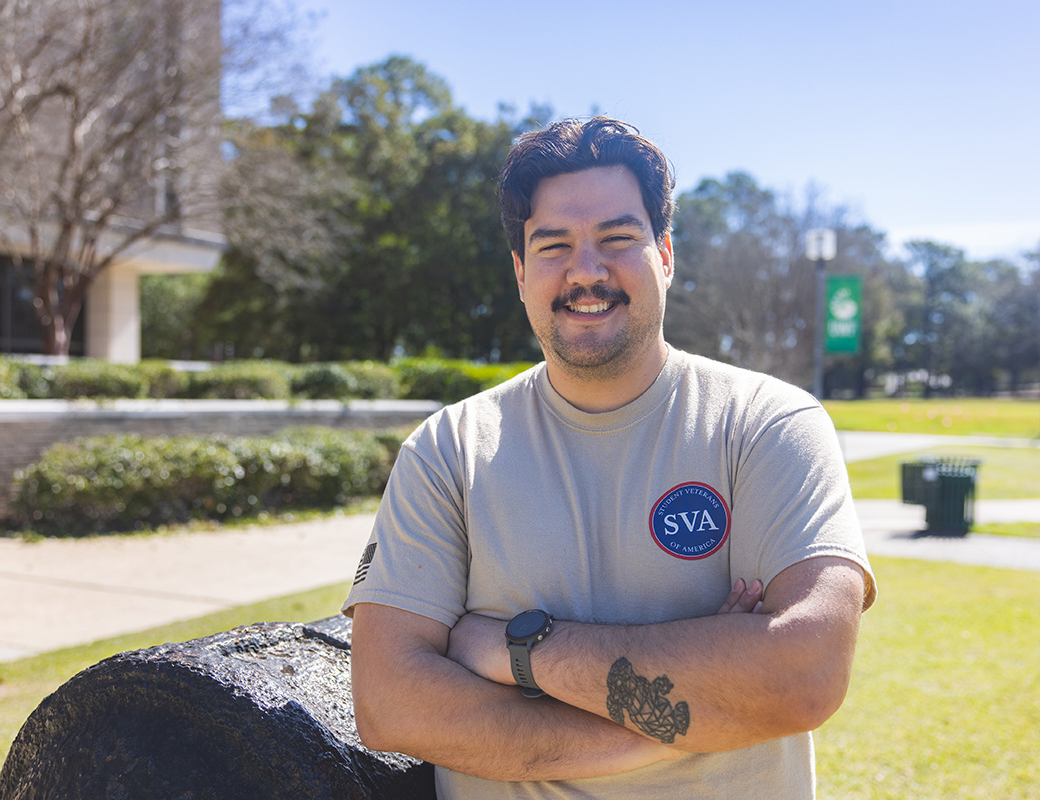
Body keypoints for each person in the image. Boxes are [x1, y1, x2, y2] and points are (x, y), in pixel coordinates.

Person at [342, 116, 876, 799]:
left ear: (666, 254)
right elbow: (389, 702)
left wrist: (516, 650)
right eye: (553, 245)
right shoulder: (448, 451)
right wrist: (677, 717)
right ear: (519, 270)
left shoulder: (767, 424)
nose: (585, 271)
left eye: (618, 239)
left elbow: (804, 674)